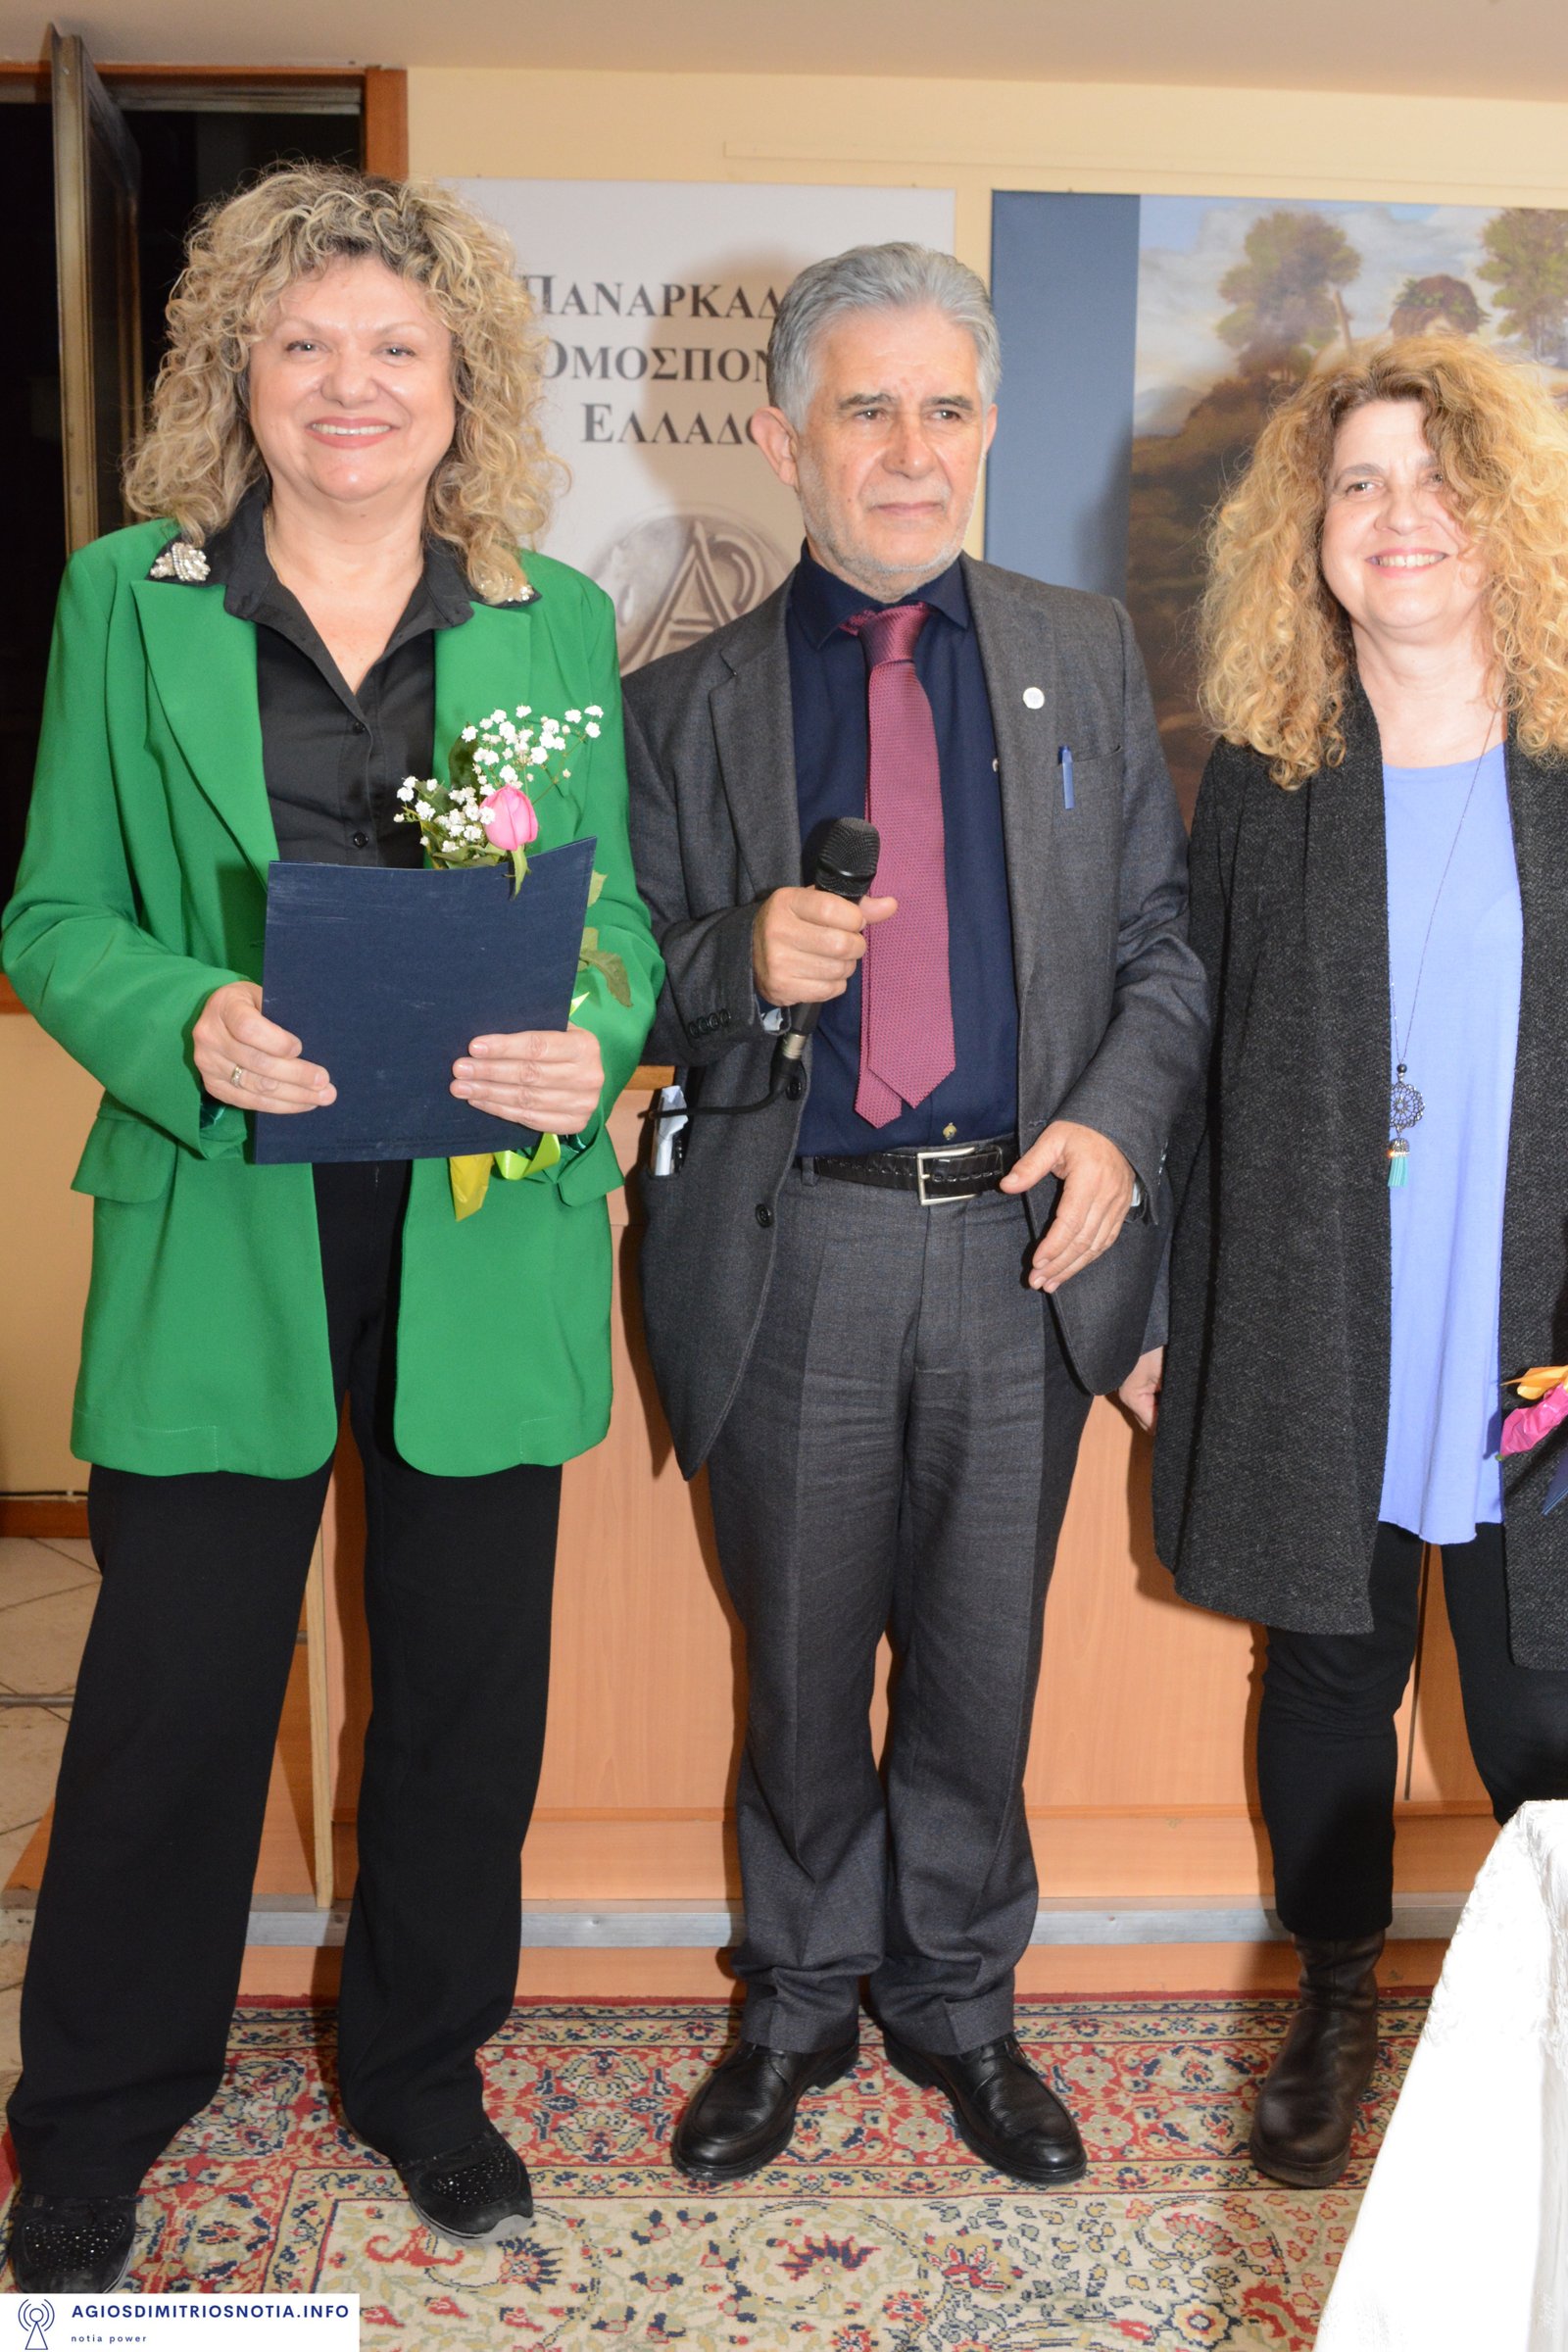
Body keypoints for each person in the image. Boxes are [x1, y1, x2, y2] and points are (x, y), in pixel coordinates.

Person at [1, 166, 660, 2291]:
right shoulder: (132, 597)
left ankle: (423, 2078)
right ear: (239, 374)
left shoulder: (549, 616)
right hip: (223, 1205)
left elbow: (618, 922)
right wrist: (183, 1017)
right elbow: (52, 913)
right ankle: (94, 2118)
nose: (348, 384)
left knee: (464, 1695)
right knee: (174, 1695)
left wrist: (587, 1036)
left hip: (478, 1218)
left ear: (462, 382)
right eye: (303, 345)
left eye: (394, 346)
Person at [623, 243, 1208, 2187]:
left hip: (1022, 1244)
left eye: (943, 407)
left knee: (980, 1662)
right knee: (795, 1667)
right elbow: (610, 972)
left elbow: (1158, 946)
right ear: (780, 436)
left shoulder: (1079, 648)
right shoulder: (681, 700)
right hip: (795, 1244)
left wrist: (1114, 1126)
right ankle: (796, 2002)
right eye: (863, 407)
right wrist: (732, 956)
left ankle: (958, 2001)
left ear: (986, 427)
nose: (907, 449)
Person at [1153, 335, 1568, 2188]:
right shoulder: (1269, 776)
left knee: (1543, 1693)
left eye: (1437, 476)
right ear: (1307, 531)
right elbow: (1196, 1059)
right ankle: (1334, 1997)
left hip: (1538, 1323)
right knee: (1329, 1673)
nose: (1402, 516)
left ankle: (1547, 2010)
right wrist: (1169, 1321)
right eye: (1359, 484)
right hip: (1324, 1317)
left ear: (1510, 511)